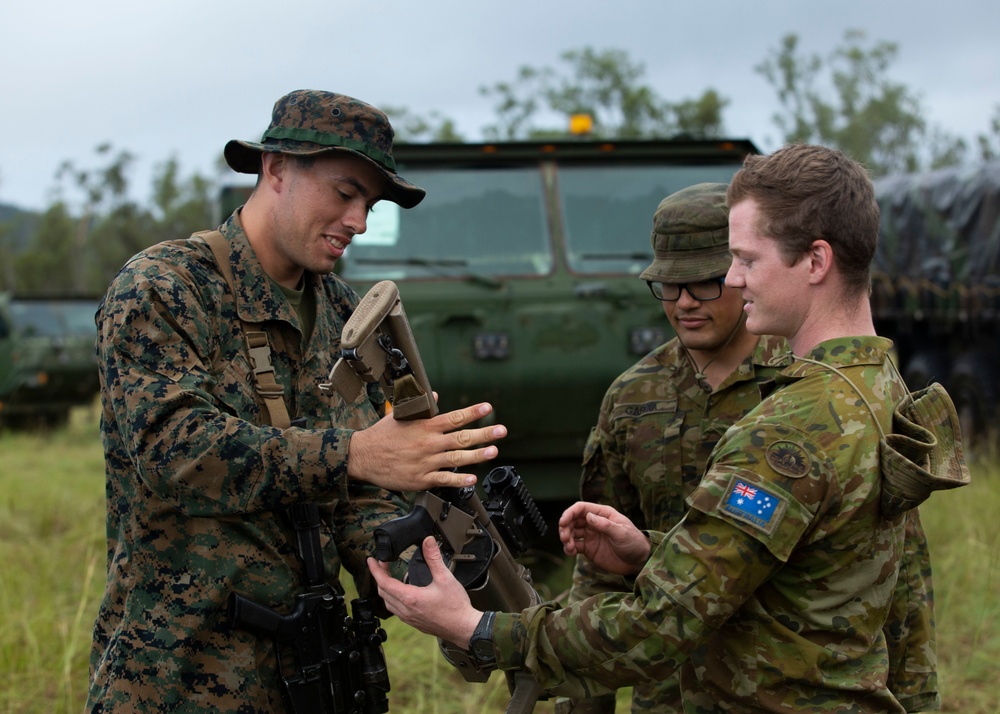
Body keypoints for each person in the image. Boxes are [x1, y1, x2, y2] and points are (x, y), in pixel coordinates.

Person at [370, 144, 961, 712]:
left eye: (746, 261)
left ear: (816, 261)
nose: (730, 281)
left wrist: (476, 627)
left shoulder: (789, 429)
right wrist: (652, 553)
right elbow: (821, 577)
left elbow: (659, 623)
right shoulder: (875, 387)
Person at [86, 90, 507, 712]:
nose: (359, 221)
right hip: (176, 674)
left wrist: (423, 576)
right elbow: (173, 450)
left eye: (370, 202)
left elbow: (356, 498)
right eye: (344, 192)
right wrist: (355, 455)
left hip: (311, 672)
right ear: (275, 169)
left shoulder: (342, 309)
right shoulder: (165, 288)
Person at [559, 183, 792, 714]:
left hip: (782, 686)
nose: (685, 302)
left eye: (706, 283)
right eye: (669, 285)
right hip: (667, 691)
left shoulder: (802, 385)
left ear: (742, 273)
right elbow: (599, 572)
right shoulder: (632, 395)